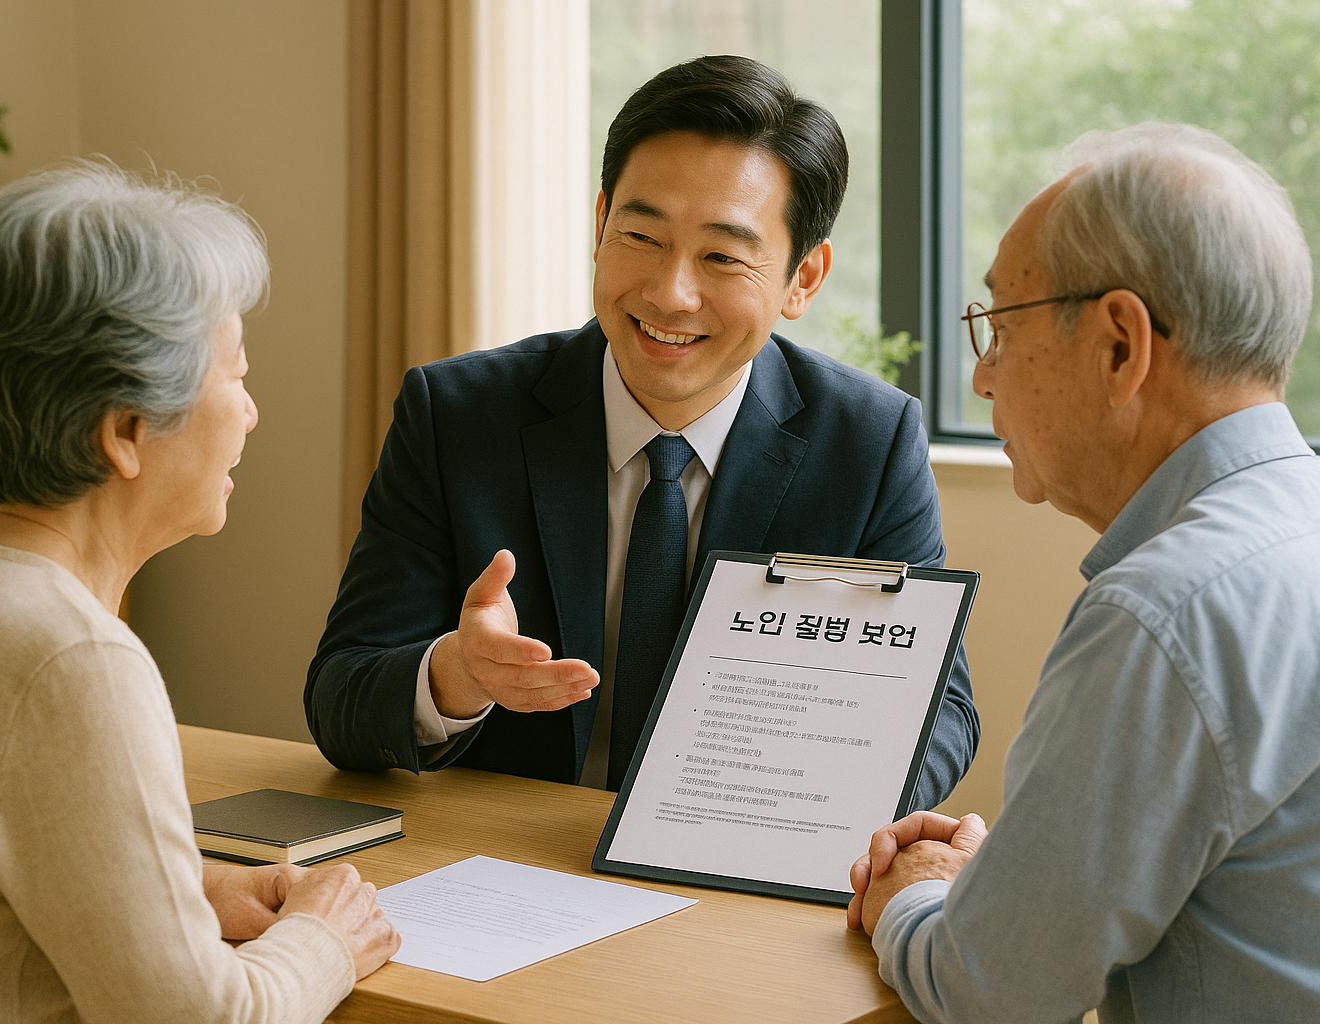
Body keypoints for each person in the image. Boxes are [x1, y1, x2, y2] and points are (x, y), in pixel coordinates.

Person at [0, 162, 399, 1023]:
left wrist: (191, 886)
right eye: (236, 375)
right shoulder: (71, 660)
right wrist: (326, 939)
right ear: (124, 432)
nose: (252, 413)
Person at [306, 55, 979, 802]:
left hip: (733, 879)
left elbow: (941, 714)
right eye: (641, 237)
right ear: (600, 226)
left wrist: (819, 797)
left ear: (803, 279)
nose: (670, 294)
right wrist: (456, 675)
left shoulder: (870, 443)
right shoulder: (457, 413)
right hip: (504, 868)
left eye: (722, 256)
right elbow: (340, 700)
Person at [848, 123, 1320, 1023]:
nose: (983, 378)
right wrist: (1001, 884)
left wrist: (912, 890)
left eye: (999, 327)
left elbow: (991, 992)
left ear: (1118, 346)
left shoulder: (1163, 614)